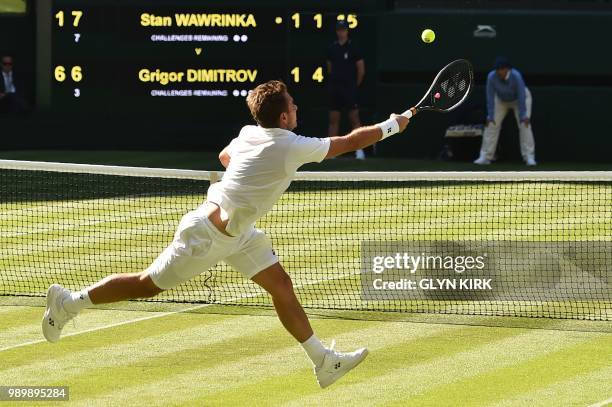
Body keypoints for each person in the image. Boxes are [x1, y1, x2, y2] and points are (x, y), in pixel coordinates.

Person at [42, 80, 411, 388]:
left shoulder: (250, 132)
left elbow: (224, 157)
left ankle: (323, 362)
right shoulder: (289, 146)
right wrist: (393, 125)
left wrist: (249, 176)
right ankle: (68, 304)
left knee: (281, 285)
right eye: (293, 106)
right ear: (283, 117)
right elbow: (348, 141)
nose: (297, 109)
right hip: (205, 236)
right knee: (146, 284)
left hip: (240, 234)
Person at [474, 57, 537, 166]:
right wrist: (490, 115)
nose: (499, 71)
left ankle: (529, 157)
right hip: (501, 100)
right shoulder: (491, 77)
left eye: (501, 69)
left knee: (524, 125)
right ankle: (485, 156)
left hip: (520, 99)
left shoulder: (516, 76)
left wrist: (523, 115)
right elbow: (490, 96)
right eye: (497, 69)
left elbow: (521, 95)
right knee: (491, 124)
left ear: (507, 69)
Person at [326, 20, 367, 159]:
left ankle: (359, 151)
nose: (341, 32)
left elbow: (361, 70)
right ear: (336, 31)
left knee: (354, 119)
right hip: (335, 89)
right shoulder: (332, 48)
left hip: (350, 89)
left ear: (347, 31)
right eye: (339, 29)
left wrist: (354, 87)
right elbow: (330, 68)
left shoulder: (354, 47)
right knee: (333, 119)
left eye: (343, 29)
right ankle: (332, 152)